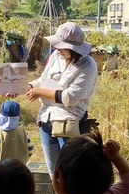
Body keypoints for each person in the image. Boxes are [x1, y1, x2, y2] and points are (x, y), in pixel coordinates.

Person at [27, 21, 97, 177]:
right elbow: (43, 79)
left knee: (70, 171)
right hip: (47, 118)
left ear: (74, 49)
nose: (57, 49)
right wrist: (30, 86)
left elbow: (70, 97)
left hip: (69, 122)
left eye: (61, 46)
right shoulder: (55, 56)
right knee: (54, 172)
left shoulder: (88, 66)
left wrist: (41, 91)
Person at [0, 100, 33, 169]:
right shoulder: (23, 132)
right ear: (19, 115)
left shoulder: (0, 134)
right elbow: (30, 149)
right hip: (21, 167)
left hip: (3, 169)